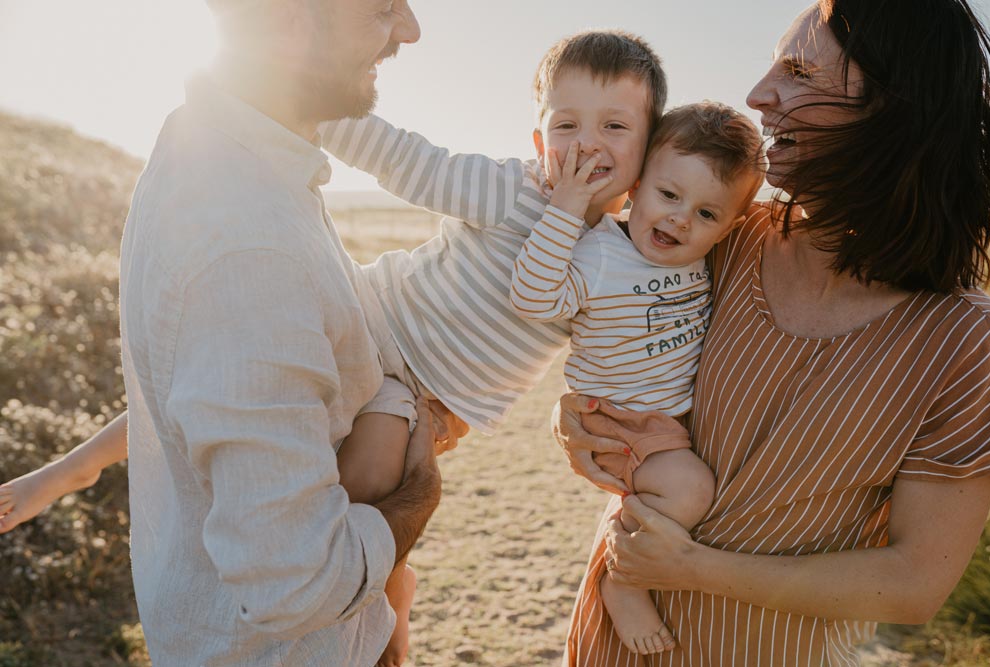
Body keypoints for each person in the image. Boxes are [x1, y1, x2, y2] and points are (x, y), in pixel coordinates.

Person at [2, 26, 664, 663]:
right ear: (538, 135)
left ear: (645, 152)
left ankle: (372, 596)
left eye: (614, 127)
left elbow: (592, 339)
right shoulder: (511, 187)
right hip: (370, 313)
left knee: (369, 481)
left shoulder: (617, 263)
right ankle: (70, 470)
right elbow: (403, 157)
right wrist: (292, 95)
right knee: (211, 383)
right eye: (566, 124)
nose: (586, 145)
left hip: (421, 389)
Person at [556, 1, 990, 665]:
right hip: (609, 642)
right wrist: (578, 419)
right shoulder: (720, 238)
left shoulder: (966, 342)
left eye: (797, 70)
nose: (759, 94)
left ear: (892, 107)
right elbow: (614, 343)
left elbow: (913, 582)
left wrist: (694, 567)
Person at [119, 1, 445, 665]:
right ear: (289, 19)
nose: (408, 30)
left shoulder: (222, 153)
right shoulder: (245, 242)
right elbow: (296, 582)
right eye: (382, 8)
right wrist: (420, 491)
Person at [510, 101, 764, 655]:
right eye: (669, 196)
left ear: (730, 226)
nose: (679, 219)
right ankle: (621, 579)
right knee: (691, 488)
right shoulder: (602, 253)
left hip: (662, 423)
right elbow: (532, 297)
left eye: (706, 214)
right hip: (619, 421)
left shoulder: (701, 259)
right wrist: (566, 206)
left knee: (687, 484)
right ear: (639, 183)